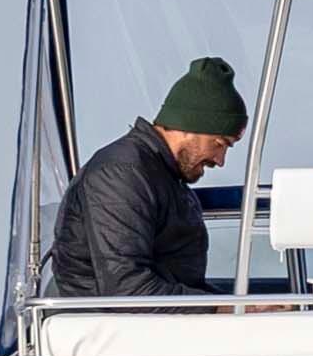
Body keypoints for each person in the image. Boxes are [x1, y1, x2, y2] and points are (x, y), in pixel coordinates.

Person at [48, 56, 248, 302]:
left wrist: (240, 307)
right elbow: (126, 290)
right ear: (188, 126)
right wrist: (226, 309)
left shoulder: (164, 176)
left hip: (147, 322)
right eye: (219, 144)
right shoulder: (122, 173)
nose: (220, 160)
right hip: (112, 325)